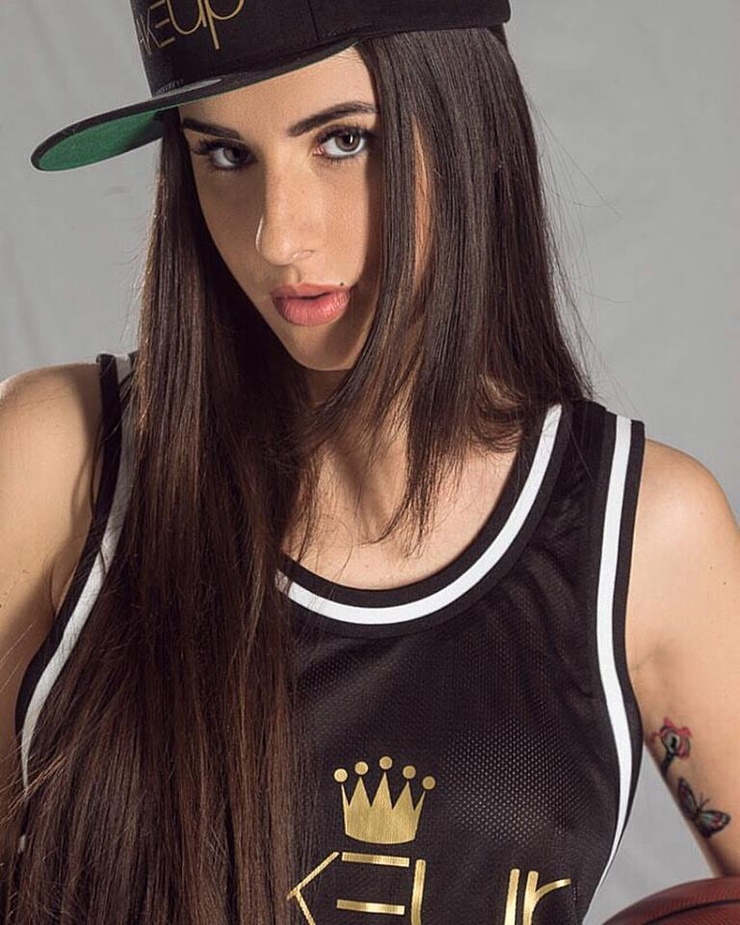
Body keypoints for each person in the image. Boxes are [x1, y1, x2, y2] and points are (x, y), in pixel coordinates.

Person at [0, 1, 738, 922]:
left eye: (344, 141)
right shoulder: (62, 461)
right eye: (224, 154)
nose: (279, 235)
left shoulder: (644, 537)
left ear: (469, 125)